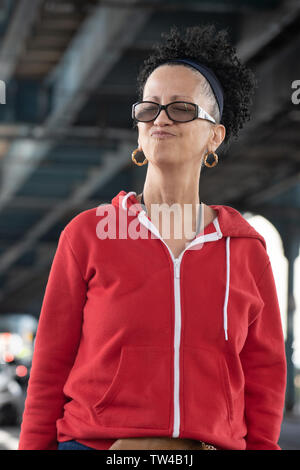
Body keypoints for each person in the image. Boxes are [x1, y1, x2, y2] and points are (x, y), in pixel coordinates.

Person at [18, 24, 286, 451]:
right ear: (140, 129)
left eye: (181, 108)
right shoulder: (89, 235)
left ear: (214, 135)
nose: (161, 118)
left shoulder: (246, 248)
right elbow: (49, 369)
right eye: (150, 108)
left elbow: (265, 378)